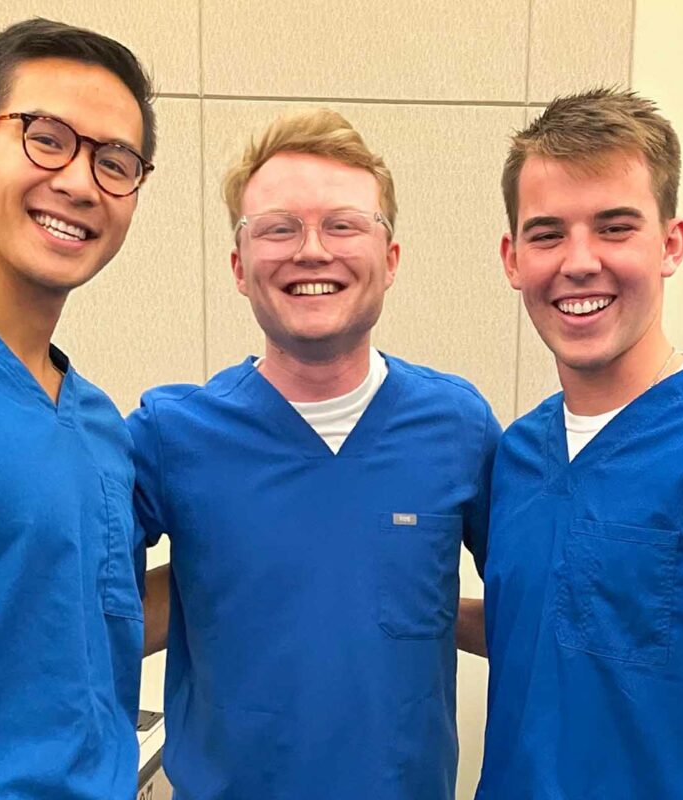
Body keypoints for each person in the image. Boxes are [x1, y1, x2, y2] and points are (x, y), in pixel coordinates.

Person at [130, 108, 500, 799]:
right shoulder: (169, 434)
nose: (311, 250)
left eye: (343, 224)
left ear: (389, 261)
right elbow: (72, 601)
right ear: (240, 268)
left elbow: (538, 607)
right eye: (278, 227)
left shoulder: (459, 427)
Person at [0, 18, 156, 798]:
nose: (82, 183)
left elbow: (79, 628)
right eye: (46, 138)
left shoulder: (98, 425)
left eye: (115, 161)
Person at [476, 88, 683, 799]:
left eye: (615, 228)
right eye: (548, 234)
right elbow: (554, 622)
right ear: (513, 257)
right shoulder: (518, 456)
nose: (579, 262)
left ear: (670, 243)